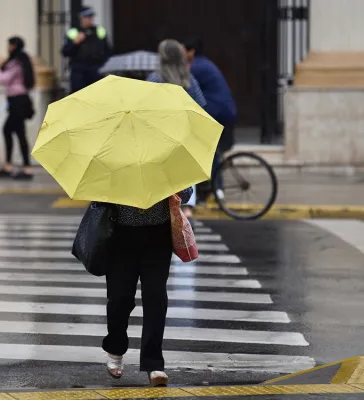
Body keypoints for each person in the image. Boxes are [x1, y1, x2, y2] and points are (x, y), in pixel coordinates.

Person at [101, 39, 200, 387]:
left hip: (157, 234)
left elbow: (186, 191)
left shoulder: (166, 148)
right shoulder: (113, 151)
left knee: (156, 298)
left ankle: (153, 363)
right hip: (122, 237)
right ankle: (115, 349)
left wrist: (172, 184)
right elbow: (99, 195)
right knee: (121, 301)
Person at [147, 39, 207, 219]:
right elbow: (201, 105)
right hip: (184, 133)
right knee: (186, 172)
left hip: (161, 135)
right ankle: (186, 207)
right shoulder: (188, 79)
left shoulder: (155, 79)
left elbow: (145, 107)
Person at [183, 36, 237, 201]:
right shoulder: (204, 64)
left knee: (207, 149)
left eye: (184, 50)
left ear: (191, 51)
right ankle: (209, 188)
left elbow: (186, 88)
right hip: (224, 111)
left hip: (217, 112)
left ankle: (216, 188)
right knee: (210, 150)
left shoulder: (196, 67)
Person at [0, 36, 36, 180]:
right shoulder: (22, 60)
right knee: (17, 132)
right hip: (17, 100)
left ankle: (24, 168)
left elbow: (4, 79)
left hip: (18, 101)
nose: (8, 47)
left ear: (14, 46)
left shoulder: (16, 62)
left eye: (9, 45)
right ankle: (16, 166)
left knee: (10, 131)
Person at [61, 6, 111, 93]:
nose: (89, 19)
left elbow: (108, 51)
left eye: (91, 17)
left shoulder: (99, 31)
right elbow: (65, 52)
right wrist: (75, 42)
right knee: (79, 95)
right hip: (79, 70)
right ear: (81, 18)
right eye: (86, 17)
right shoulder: (73, 32)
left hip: (96, 69)